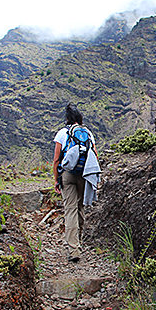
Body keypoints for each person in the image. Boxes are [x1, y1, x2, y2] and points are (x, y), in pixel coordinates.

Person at [52, 104, 100, 262]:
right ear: (80, 119)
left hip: (68, 175)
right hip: (83, 174)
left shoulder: (62, 133)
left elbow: (57, 160)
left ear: (67, 119)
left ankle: (74, 250)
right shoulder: (87, 133)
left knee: (70, 210)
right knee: (80, 207)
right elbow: (95, 155)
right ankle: (77, 242)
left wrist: (56, 180)